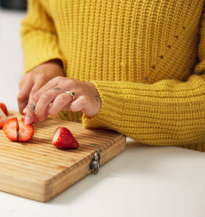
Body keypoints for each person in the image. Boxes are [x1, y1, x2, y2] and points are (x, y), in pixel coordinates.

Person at [18, 0, 205, 151]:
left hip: (165, 164)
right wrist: (47, 62)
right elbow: (39, 24)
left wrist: (107, 100)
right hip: (59, 155)